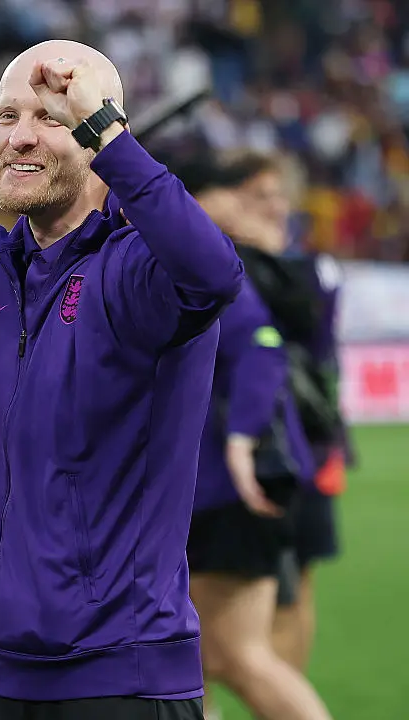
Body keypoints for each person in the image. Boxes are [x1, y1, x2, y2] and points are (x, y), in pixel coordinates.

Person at [0, 40, 244, 720]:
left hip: (116, 678)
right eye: (6, 115)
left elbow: (215, 273)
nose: (19, 137)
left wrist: (106, 132)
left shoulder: (136, 270)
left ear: (100, 134)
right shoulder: (13, 274)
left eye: (51, 118)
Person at [176, 155, 333, 720]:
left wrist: (242, 440)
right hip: (213, 487)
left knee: (238, 656)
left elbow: (263, 347)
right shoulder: (205, 255)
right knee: (191, 657)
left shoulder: (213, 260)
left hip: (232, 486)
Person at [216, 153, 351, 676]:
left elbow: (309, 329)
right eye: (257, 196)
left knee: (297, 584)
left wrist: (269, 254)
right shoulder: (230, 260)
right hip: (263, 437)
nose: (271, 207)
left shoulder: (303, 268)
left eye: (277, 196)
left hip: (305, 441)